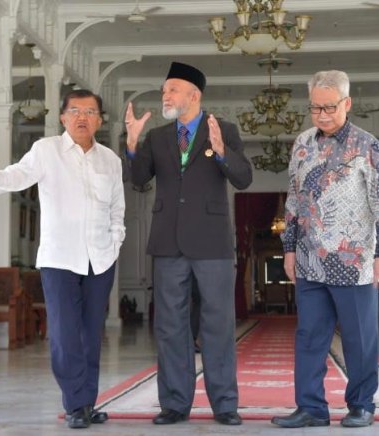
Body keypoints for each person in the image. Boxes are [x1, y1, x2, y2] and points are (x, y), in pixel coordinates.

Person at [0, 89, 125, 429]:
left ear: (100, 120)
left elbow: (118, 211)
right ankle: (74, 404)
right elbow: (14, 177)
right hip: (59, 259)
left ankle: (87, 402)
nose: (82, 117)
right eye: (74, 111)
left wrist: (114, 245)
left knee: (91, 333)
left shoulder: (110, 160)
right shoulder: (46, 151)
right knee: (65, 334)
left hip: (100, 260)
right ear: (63, 117)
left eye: (89, 111)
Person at [271, 70, 379, 429]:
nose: (322, 114)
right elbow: (295, 200)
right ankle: (310, 408)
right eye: (315, 108)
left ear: (347, 103)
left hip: (355, 260)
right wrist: (290, 249)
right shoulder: (302, 144)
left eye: (329, 107)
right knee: (309, 336)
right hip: (311, 259)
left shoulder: (366, 145)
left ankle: (361, 405)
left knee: (360, 338)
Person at [124, 62, 252, 426]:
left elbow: (243, 178)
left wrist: (223, 152)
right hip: (167, 242)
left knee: (218, 325)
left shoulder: (224, 130)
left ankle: (225, 404)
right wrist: (132, 143)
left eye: (173, 90)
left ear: (194, 95)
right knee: (170, 326)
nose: (166, 95)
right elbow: (138, 179)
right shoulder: (158, 137)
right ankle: (175, 404)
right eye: (164, 90)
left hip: (212, 242)